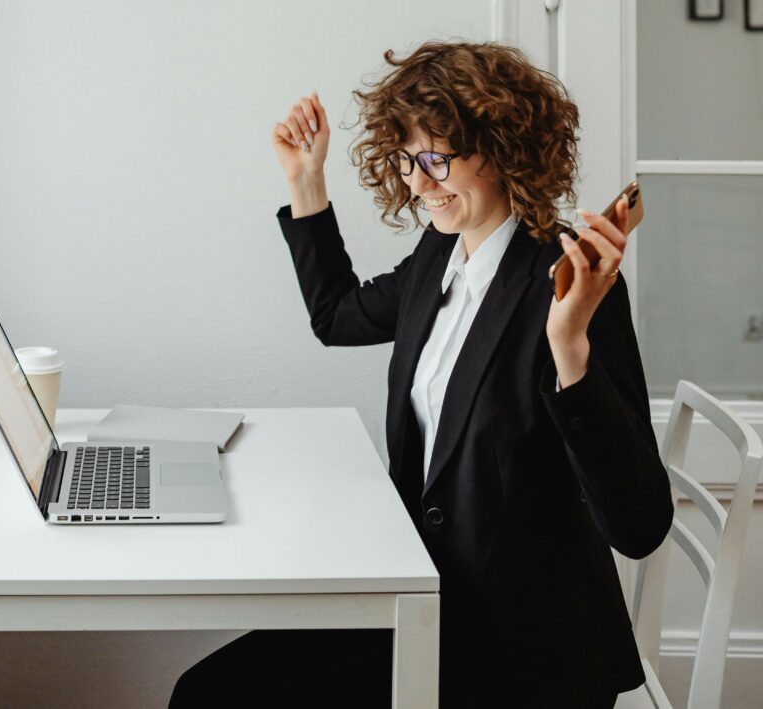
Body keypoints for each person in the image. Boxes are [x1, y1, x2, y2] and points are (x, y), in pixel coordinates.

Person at [169, 40, 673, 708]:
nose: (416, 182)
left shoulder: (567, 287)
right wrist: (306, 180)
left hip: (519, 650)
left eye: (435, 159)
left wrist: (569, 344)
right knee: (206, 689)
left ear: (503, 147)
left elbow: (638, 524)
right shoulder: (441, 255)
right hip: (428, 596)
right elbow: (336, 315)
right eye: (407, 160)